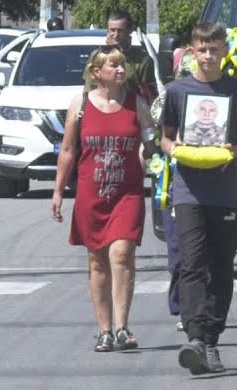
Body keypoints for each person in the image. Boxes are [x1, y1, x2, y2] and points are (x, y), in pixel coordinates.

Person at [160, 22, 237, 375]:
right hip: (188, 192)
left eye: (214, 49)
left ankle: (212, 339)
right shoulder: (177, 91)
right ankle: (195, 336)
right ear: (191, 51)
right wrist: (176, 149)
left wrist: (230, 151)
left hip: (226, 192)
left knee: (220, 268)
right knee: (190, 263)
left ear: (224, 51)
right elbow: (165, 138)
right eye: (202, 49)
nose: (208, 55)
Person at [50, 47, 157, 353]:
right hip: (91, 195)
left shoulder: (136, 104)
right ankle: (104, 330)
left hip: (127, 193)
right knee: (97, 262)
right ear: (97, 72)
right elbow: (68, 151)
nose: (121, 70)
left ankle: (122, 327)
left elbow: (150, 143)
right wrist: (58, 192)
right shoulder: (80, 105)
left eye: (122, 64)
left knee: (122, 254)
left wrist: (148, 151)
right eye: (113, 65)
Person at [105, 10, 158, 104]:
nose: (116, 35)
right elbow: (89, 88)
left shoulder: (142, 61)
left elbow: (150, 95)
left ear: (129, 31)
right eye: (112, 30)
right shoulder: (98, 58)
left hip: (131, 109)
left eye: (120, 31)